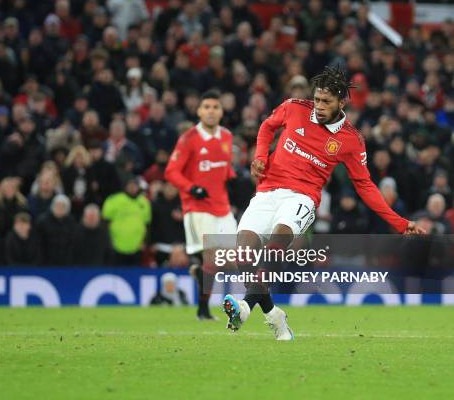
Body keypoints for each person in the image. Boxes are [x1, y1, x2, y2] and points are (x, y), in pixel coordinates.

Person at [223, 66, 425, 340]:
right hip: (268, 191)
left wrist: (400, 223)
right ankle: (274, 316)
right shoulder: (294, 107)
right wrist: (259, 156)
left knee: (277, 242)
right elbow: (267, 126)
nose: (318, 106)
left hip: (301, 197)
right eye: (317, 99)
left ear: (342, 102)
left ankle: (245, 307)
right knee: (242, 254)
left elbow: (364, 185)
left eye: (326, 101)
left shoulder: (351, 140)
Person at [164, 90, 237, 320]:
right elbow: (171, 171)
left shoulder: (226, 136)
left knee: (233, 260)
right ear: (199, 111)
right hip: (197, 207)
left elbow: (224, 169)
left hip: (222, 207)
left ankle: (199, 274)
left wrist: (234, 179)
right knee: (213, 258)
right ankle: (203, 311)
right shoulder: (188, 139)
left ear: (221, 111)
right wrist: (191, 188)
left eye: (215, 107)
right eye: (206, 107)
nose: (211, 111)